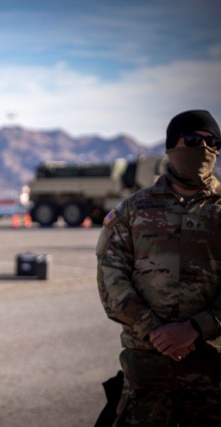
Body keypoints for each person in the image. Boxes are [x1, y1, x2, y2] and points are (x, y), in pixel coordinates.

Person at [96, 109, 221, 426]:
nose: (204, 149)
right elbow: (111, 275)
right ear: (171, 147)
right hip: (147, 363)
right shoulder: (135, 208)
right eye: (194, 140)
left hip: (212, 363)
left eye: (214, 143)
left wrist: (194, 329)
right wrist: (154, 330)